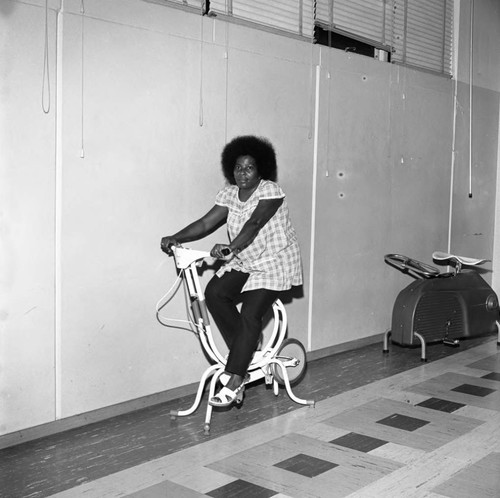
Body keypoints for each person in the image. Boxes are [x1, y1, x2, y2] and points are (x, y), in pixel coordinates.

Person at [161, 135, 302, 407]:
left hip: (273, 261)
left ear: (261, 169)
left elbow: (254, 223)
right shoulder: (228, 194)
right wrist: (175, 237)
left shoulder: (270, 191)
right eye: (238, 167)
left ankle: (236, 379)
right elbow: (205, 223)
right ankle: (247, 346)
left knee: (251, 312)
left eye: (249, 167)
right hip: (245, 259)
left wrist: (230, 248)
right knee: (215, 293)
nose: (243, 173)